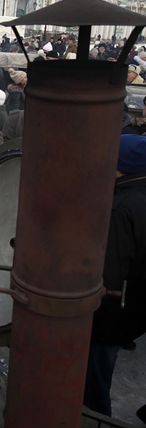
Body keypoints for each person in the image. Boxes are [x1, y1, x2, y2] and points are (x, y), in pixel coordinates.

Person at [84, 135, 146, 418]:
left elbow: (109, 274)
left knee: (94, 383)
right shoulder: (139, 194)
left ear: (120, 165)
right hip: (135, 307)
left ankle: (96, 419)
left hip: (111, 313)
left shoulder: (120, 207)